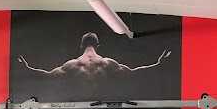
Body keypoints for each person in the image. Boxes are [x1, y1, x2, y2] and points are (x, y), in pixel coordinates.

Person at [18, 32, 170, 81]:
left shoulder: (72, 65)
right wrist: (158, 64)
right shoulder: (107, 63)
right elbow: (133, 73)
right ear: (98, 46)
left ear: (81, 46)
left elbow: (48, 75)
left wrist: (27, 68)